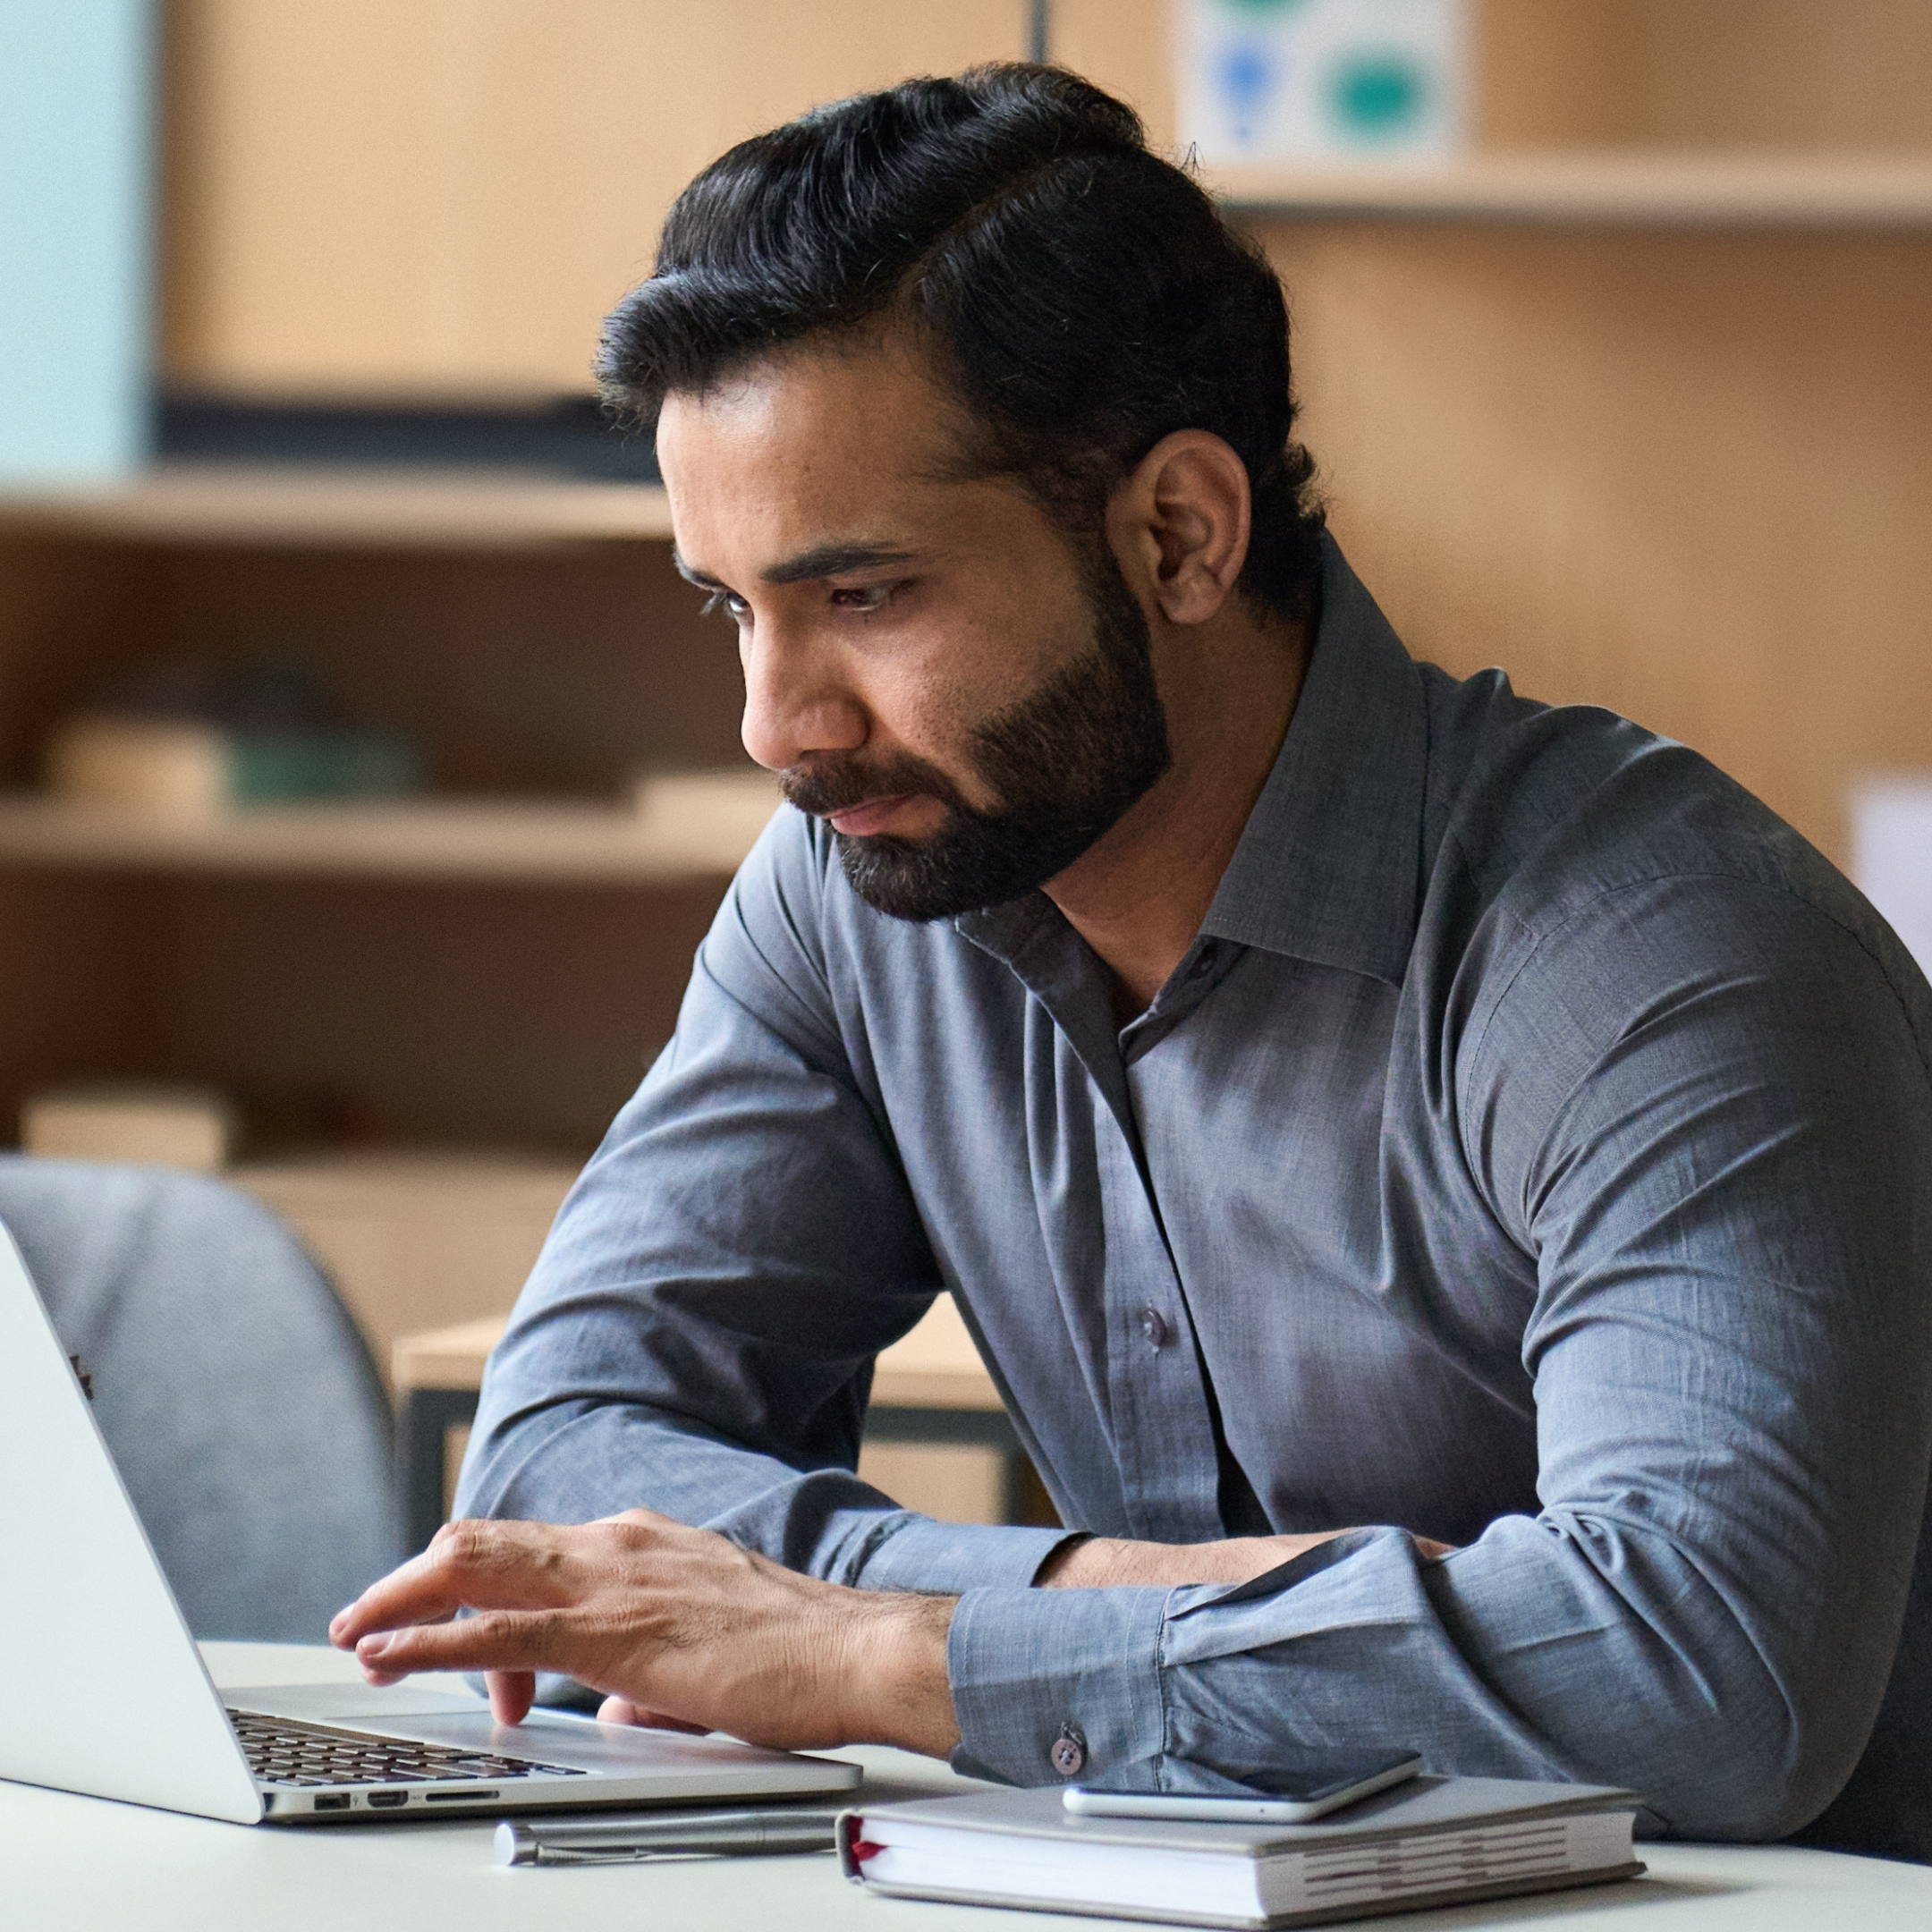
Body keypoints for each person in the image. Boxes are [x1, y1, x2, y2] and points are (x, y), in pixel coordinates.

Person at [331, 65, 1932, 1860]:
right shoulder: (860, 890)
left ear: (1178, 533)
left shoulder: (1662, 957)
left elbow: (1705, 1682)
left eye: (864, 599)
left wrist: (883, 1644)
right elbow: (558, 1465)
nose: (777, 728)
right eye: (734, 606)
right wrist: (1107, 1596)